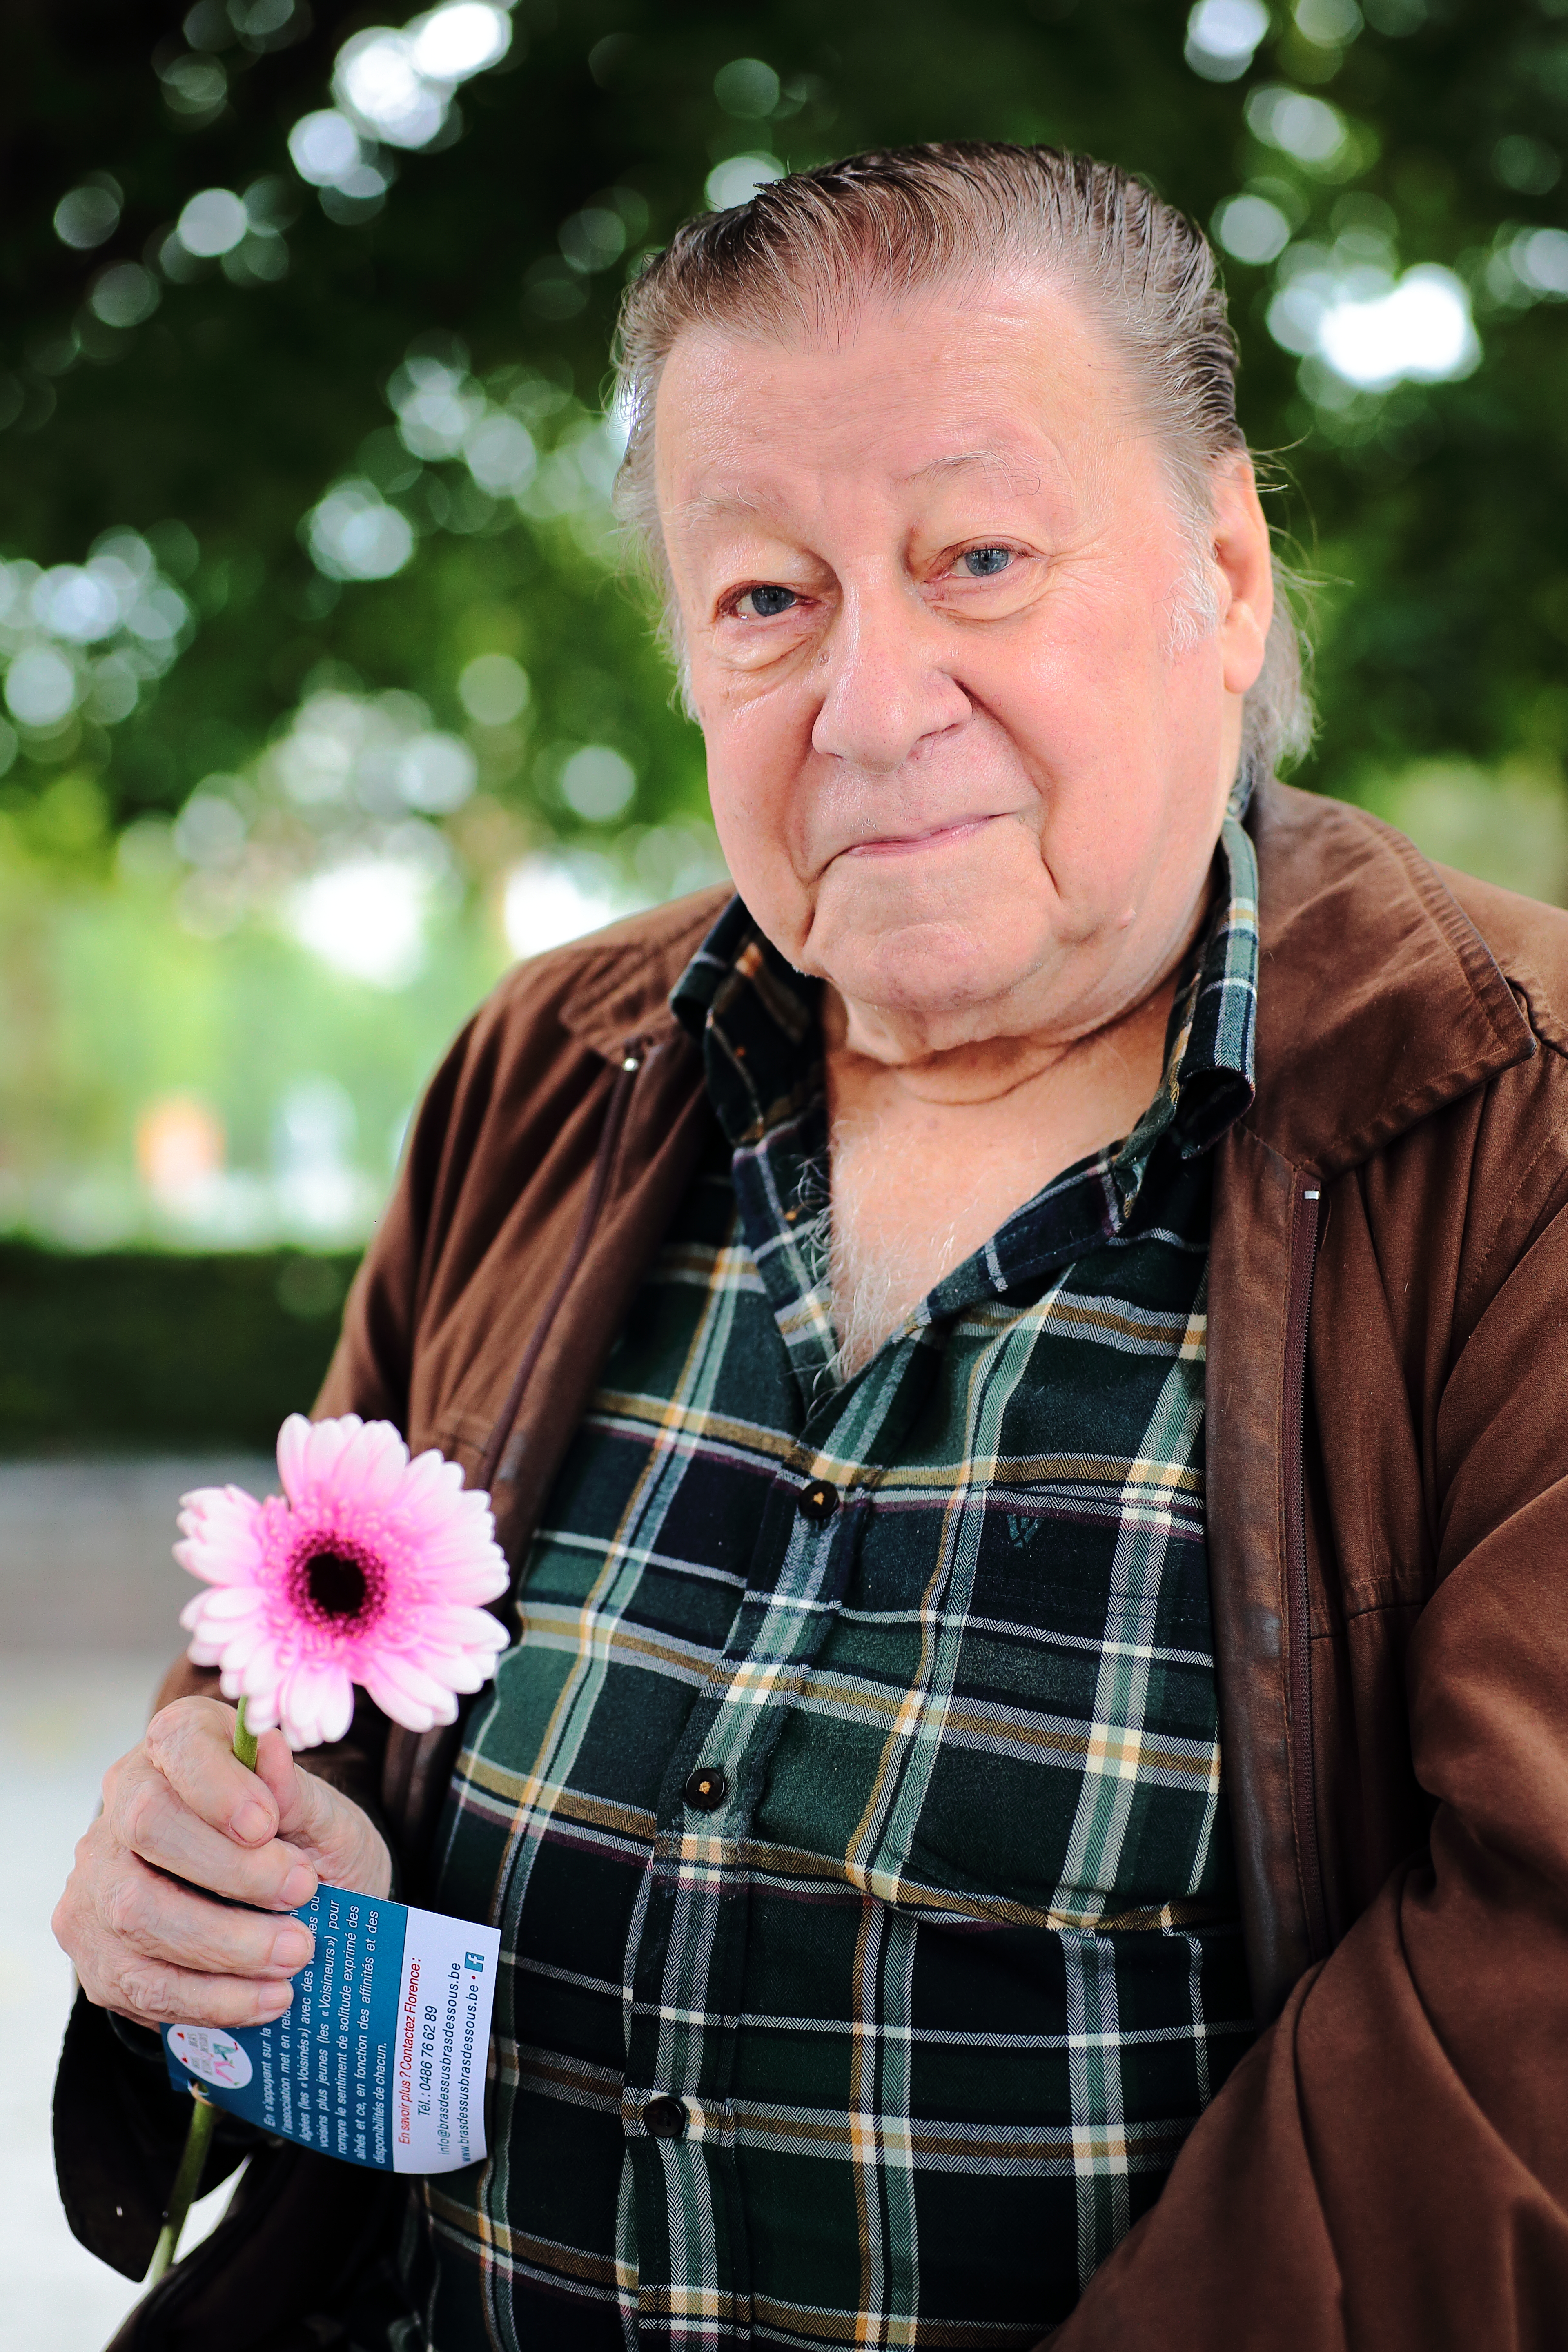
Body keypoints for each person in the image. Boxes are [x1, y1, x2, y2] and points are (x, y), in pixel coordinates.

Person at [53, 143, 1568, 2351]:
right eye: (769, 597)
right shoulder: (541, 1075)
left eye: (976, 558)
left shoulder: (1514, 1124)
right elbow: (310, 1668)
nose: (871, 706)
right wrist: (233, 1883)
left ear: (1222, 573)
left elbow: (1523, 2026)